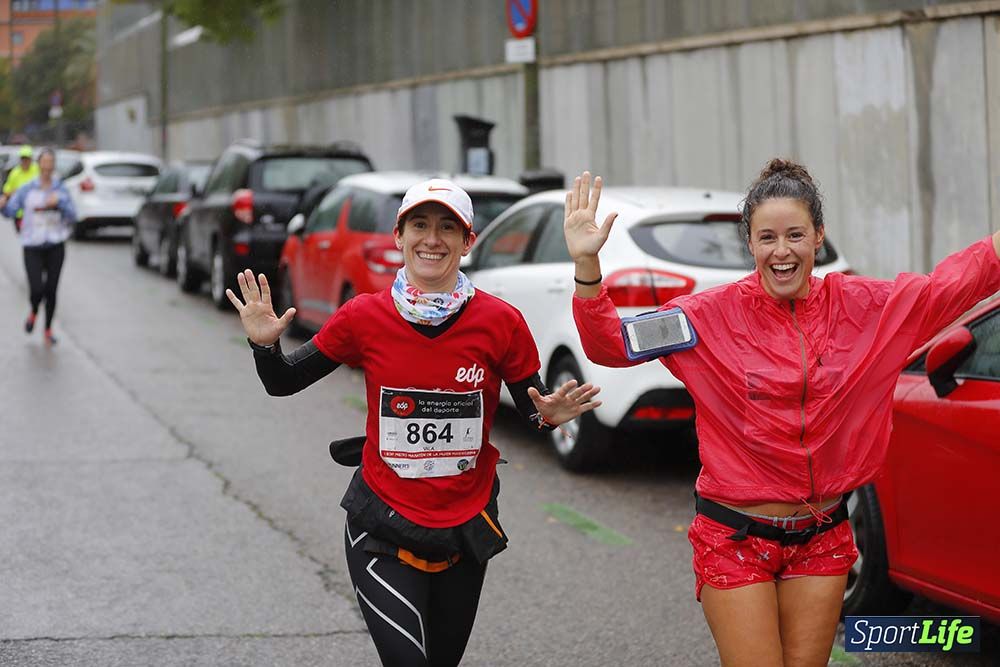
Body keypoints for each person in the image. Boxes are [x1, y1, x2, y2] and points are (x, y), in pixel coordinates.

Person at [565, 163, 1000, 667]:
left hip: (823, 537)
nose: (781, 250)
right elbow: (611, 344)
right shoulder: (704, 317)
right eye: (766, 237)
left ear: (819, 235)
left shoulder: (867, 306)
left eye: (795, 234)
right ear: (749, 244)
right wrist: (587, 268)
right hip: (735, 538)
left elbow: (957, 282)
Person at [227, 178, 602, 666]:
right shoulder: (364, 315)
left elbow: (532, 406)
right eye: (419, 225)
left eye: (448, 227)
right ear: (398, 237)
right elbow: (282, 382)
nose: (432, 238)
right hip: (381, 524)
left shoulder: (501, 322)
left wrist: (547, 416)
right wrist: (263, 345)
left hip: (465, 525)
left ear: (468, 242)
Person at [2, 147, 76, 346]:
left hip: (55, 245)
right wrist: (3, 204)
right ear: (39, 164)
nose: (47, 167)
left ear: (53, 166)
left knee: (51, 290)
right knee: (36, 289)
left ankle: (48, 329)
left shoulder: (60, 188)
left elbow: (73, 215)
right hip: (32, 246)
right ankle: (34, 311)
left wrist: (60, 203)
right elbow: (10, 211)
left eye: (50, 163)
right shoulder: (27, 189)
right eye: (44, 162)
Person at [1, 145, 40, 232]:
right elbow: (7, 190)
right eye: (23, 158)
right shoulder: (15, 172)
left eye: (27, 158)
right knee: (25, 237)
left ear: (31, 159)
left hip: (35, 211)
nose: (25, 161)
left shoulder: (37, 169)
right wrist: (12, 193)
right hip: (20, 213)